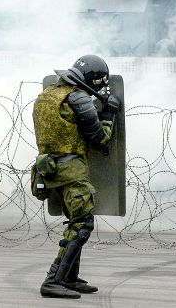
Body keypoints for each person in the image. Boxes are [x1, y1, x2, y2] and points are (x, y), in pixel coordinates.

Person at [33, 55, 121, 299]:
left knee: (76, 221)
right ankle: (54, 280)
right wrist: (109, 113)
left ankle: (70, 278)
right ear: (91, 79)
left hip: (49, 167)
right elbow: (101, 139)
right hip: (71, 171)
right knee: (82, 224)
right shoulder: (79, 98)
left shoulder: (48, 94)